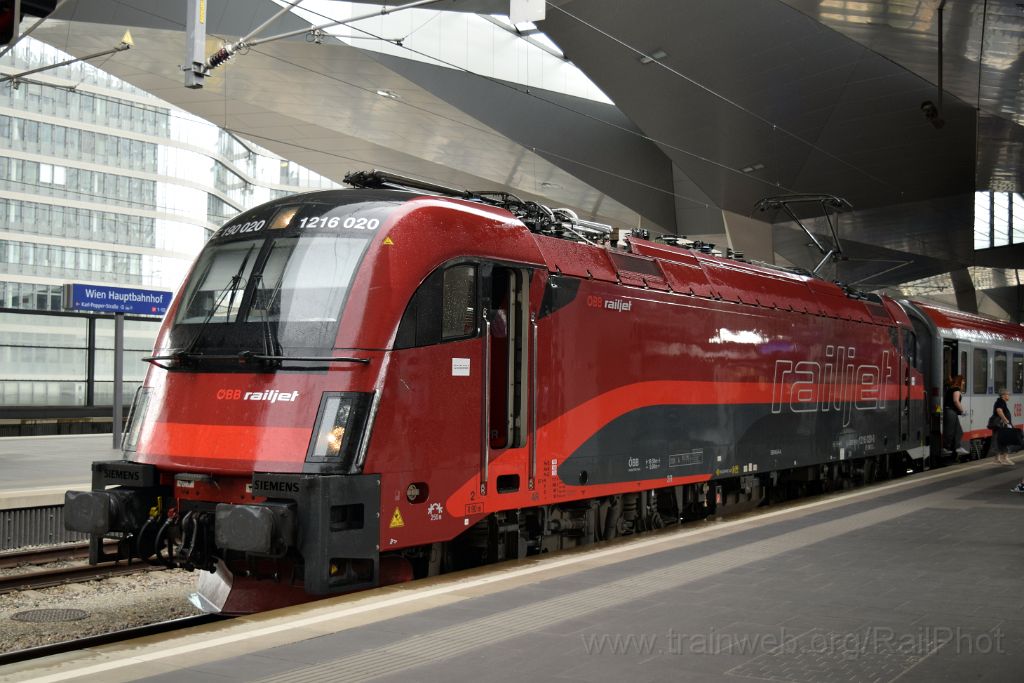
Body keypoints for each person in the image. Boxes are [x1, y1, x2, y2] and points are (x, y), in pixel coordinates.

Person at [943, 375, 970, 458]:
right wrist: (962, 411)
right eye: (963, 381)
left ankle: (957, 447)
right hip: (951, 411)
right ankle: (946, 448)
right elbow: (956, 401)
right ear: (959, 381)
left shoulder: (951, 389)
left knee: (959, 431)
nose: (964, 383)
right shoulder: (956, 389)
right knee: (950, 431)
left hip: (951, 412)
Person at [992, 388, 1018, 466]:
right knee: (1007, 440)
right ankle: (1005, 458)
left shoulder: (1000, 401)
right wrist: (1006, 421)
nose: (1009, 396)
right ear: (1003, 395)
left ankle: (997, 459)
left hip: (1001, 425)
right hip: (1002, 425)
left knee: (999, 441)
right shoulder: (1001, 401)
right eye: (1008, 394)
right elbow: (999, 411)